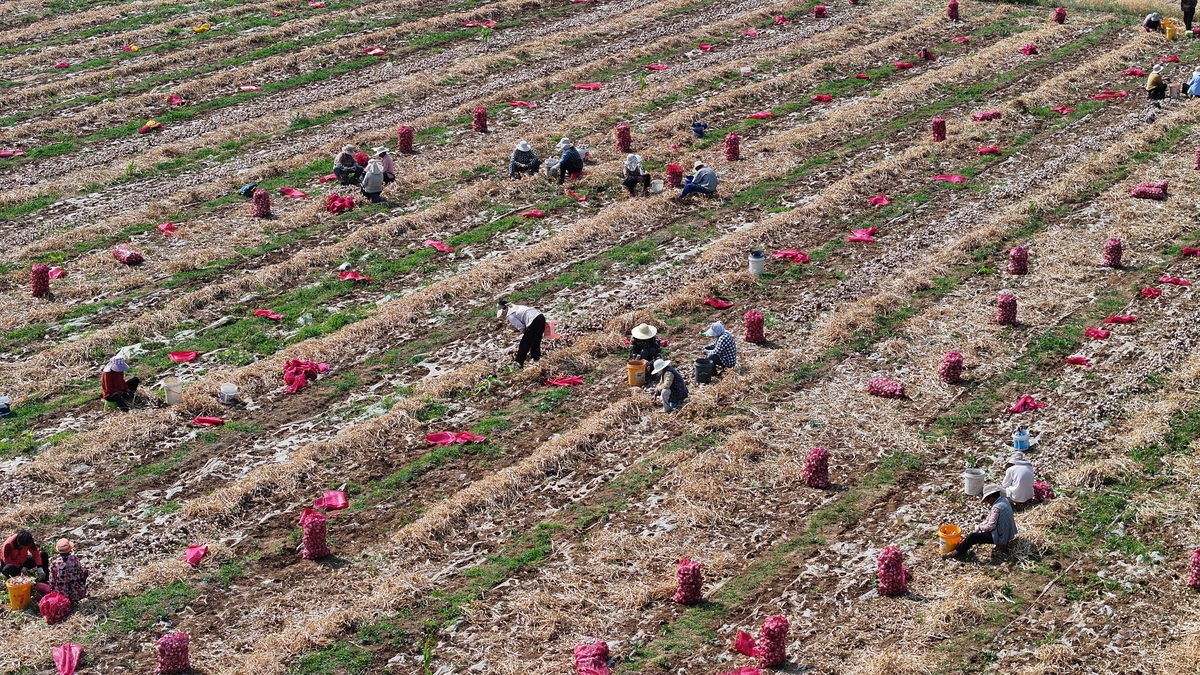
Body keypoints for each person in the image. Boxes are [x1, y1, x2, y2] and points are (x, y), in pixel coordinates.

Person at [943, 484, 1018, 559]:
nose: (988, 503)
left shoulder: (996, 508)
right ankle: (962, 546)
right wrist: (981, 527)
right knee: (977, 532)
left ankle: (954, 553)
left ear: (991, 497)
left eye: (988, 501)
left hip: (1001, 536)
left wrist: (979, 527)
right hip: (1008, 532)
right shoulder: (1004, 500)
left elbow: (990, 526)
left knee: (973, 537)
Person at [498, 298, 545, 367]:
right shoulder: (516, 307)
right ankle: (536, 358)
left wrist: (525, 333)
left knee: (524, 344)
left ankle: (519, 363)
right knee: (536, 341)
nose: (503, 315)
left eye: (502, 313)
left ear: (504, 310)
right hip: (540, 317)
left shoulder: (510, 315)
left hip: (533, 321)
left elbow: (521, 327)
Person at [46, 539, 88, 603]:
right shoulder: (74, 559)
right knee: (85, 571)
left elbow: (52, 582)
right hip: (77, 593)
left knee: (40, 586)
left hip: (62, 595)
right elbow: (81, 574)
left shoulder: (54, 563)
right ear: (69, 549)